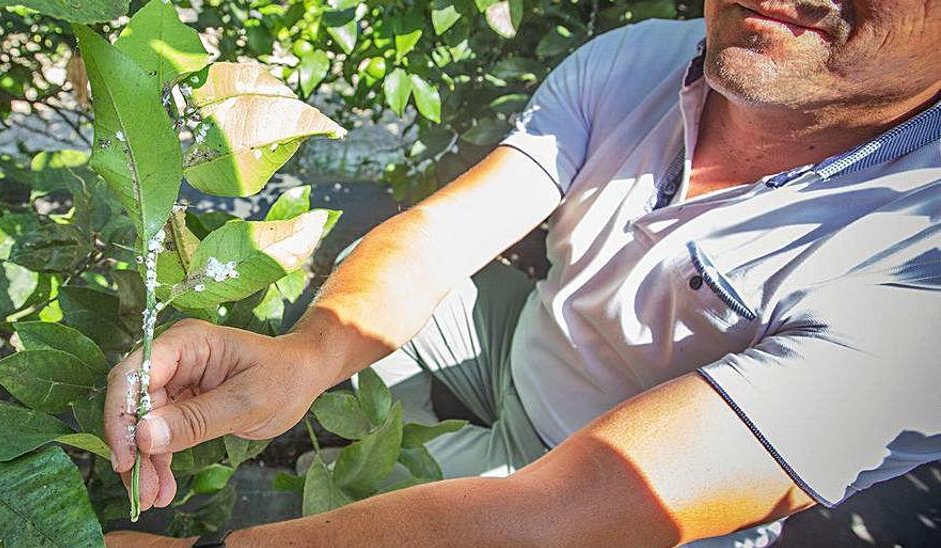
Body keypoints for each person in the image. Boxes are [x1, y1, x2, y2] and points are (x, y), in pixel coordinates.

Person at [104, 0, 941, 545]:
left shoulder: (918, 267)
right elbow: (442, 235)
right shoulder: (646, 59)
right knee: (363, 321)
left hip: (601, 497)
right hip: (521, 346)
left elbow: (554, 518)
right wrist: (306, 356)